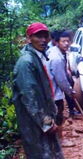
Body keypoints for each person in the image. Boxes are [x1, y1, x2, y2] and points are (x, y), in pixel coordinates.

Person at [12, 22, 64, 159]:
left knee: (51, 151)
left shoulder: (37, 56)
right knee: (41, 153)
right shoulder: (26, 62)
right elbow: (30, 97)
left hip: (41, 118)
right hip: (33, 122)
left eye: (45, 36)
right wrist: (46, 123)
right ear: (29, 38)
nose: (43, 40)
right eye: (38, 36)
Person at [47, 31, 77, 147]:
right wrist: (70, 91)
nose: (66, 44)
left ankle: (54, 138)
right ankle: (60, 140)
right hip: (53, 91)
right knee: (58, 114)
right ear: (56, 42)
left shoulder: (56, 52)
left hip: (51, 90)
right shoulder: (57, 58)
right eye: (63, 41)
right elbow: (61, 80)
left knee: (54, 114)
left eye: (68, 41)